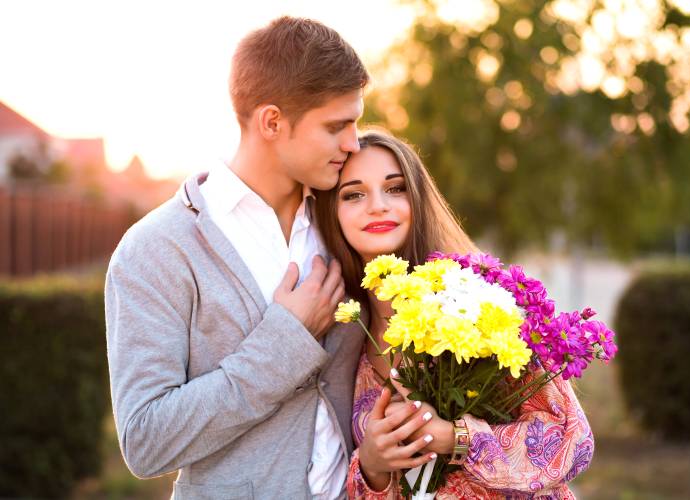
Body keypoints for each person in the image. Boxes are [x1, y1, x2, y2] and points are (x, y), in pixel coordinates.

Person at [105, 17, 369, 499]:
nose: (353, 142)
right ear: (272, 121)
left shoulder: (346, 223)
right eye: (337, 126)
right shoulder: (157, 249)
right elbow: (145, 441)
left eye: (355, 123)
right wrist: (287, 340)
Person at [315, 130, 594, 498]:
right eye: (353, 194)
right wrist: (372, 467)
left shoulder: (477, 302)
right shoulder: (346, 337)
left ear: (417, 199)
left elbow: (571, 439)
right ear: (331, 214)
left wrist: (456, 437)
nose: (378, 205)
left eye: (395, 188)